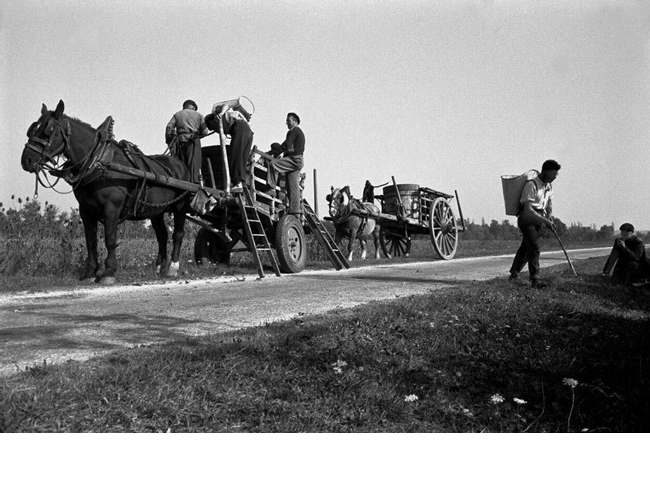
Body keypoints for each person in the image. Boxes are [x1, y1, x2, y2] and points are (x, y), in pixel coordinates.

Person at [509, 159, 561, 288]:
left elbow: (549, 204)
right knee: (534, 247)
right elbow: (527, 209)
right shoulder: (532, 185)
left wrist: (549, 216)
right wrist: (545, 221)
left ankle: (513, 275)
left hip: (538, 220)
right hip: (527, 219)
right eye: (553, 174)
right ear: (546, 171)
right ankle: (535, 279)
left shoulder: (548, 186)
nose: (555, 177)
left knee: (525, 249)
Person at [206, 105, 254, 192]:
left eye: (212, 125)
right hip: (248, 132)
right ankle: (241, 183)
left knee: (236, 156)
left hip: (240, 128)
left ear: (211, 120)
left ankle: (237, 183)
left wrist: (221, 113)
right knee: (242, 158)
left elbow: (226, 105)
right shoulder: (220, 124)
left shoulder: (218, 116)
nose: (214, 128)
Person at [265, 112, 305, 214]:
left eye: (288, 120)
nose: (286, 122)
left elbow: (286, 145)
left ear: (295, 122)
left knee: (273, 164)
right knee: (293, 186)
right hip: (297, 161)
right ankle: (295, 211)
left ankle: (271, 189)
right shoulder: (298, 132)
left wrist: (274, 154)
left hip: (295, 159)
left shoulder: (294, 131)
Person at [165, 100, 209, 183]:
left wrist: (170, 140)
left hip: (180, 141)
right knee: (193, 164)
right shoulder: (199, 115)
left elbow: (169, 128)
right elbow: (205, 132)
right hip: (193, 141)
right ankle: (194, 183)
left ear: (184, 106)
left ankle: (181, 182)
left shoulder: (177, 114)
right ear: (193, 107)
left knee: (181, 163)